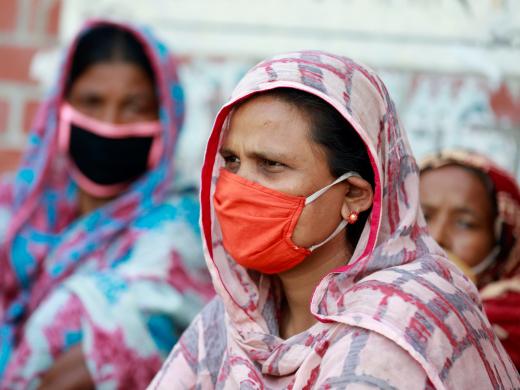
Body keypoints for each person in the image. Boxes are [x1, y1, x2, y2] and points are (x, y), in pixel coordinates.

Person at [148, 51, 519, 389]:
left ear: (353, 194)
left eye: (271, 165)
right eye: (231, 161)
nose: (239, 187)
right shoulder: (238, 318)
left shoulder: (396, 326)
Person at [0, 20, 213, 389]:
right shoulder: (18, 212)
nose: (109, 124)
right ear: (61, 107)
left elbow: (105, 347)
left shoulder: (181, 230)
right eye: (92, 102)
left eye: (134, 107)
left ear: (165, 118)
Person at [420, 149, 520, 370]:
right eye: (423, 216)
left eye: (465, 223)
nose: (436, 237)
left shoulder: (507, 322)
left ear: (502, 238)